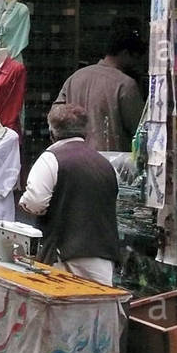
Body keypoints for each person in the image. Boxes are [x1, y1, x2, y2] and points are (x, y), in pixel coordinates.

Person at [19, 104, 120, 285]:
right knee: (96, 308)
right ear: (86, 132)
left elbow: (35, 203)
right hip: (102, 256)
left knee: (64, 309)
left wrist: (23, 202)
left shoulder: (51, 158)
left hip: (64, 254)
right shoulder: (105, 164)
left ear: (52, 132)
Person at [54, 31, 146, 152]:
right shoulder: (125, 84)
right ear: (125, 53)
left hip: (75, 157)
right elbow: (139, 129)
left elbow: (55, 116)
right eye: (136, 58)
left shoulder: (75, 77)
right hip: (111, 162)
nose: (137, 64)